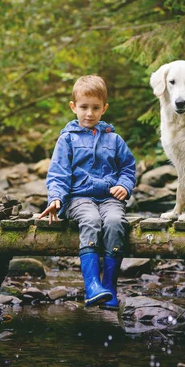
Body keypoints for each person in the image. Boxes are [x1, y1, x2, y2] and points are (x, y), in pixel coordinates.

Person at [39, 75, 136, 310]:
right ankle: (92, 285)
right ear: (74, 107)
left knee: (114, 222)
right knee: (91, 220)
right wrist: (56, 199)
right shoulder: (67, 140)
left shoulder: (114, 139)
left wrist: (124, 185)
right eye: (84, 107)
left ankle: (109, 287)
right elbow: (59, 174)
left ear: (104, 108)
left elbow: (128, 167)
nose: (89, 114)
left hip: (109, 199)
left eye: (95, 108)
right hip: (79, 198)